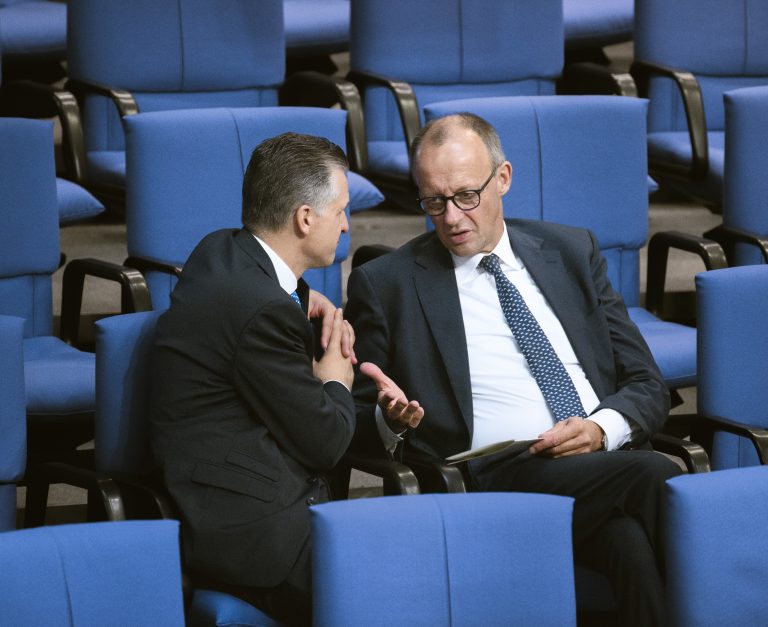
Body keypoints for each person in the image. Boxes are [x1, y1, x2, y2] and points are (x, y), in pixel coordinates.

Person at [345, 113, 681, 626]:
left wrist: (599, 428)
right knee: (657, 472)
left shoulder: (571, 250)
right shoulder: (386, 284)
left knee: (628, 543)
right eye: (433, 201)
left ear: (502, 178)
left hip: (598, 464)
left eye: (465, 196)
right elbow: (360, 417)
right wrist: (390, 421)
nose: (451, 217)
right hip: (488, 474)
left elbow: (646, 383)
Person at [150, 132, 357, 626]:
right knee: (408, 586)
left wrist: (304, 297)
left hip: (232, 488)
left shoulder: (219, 249)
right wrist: (335, 379)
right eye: (341, 211)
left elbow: (262, 297)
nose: (347, 226)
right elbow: (326, 442)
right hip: (255, 536)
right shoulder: (263, 309)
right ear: (305, 218)